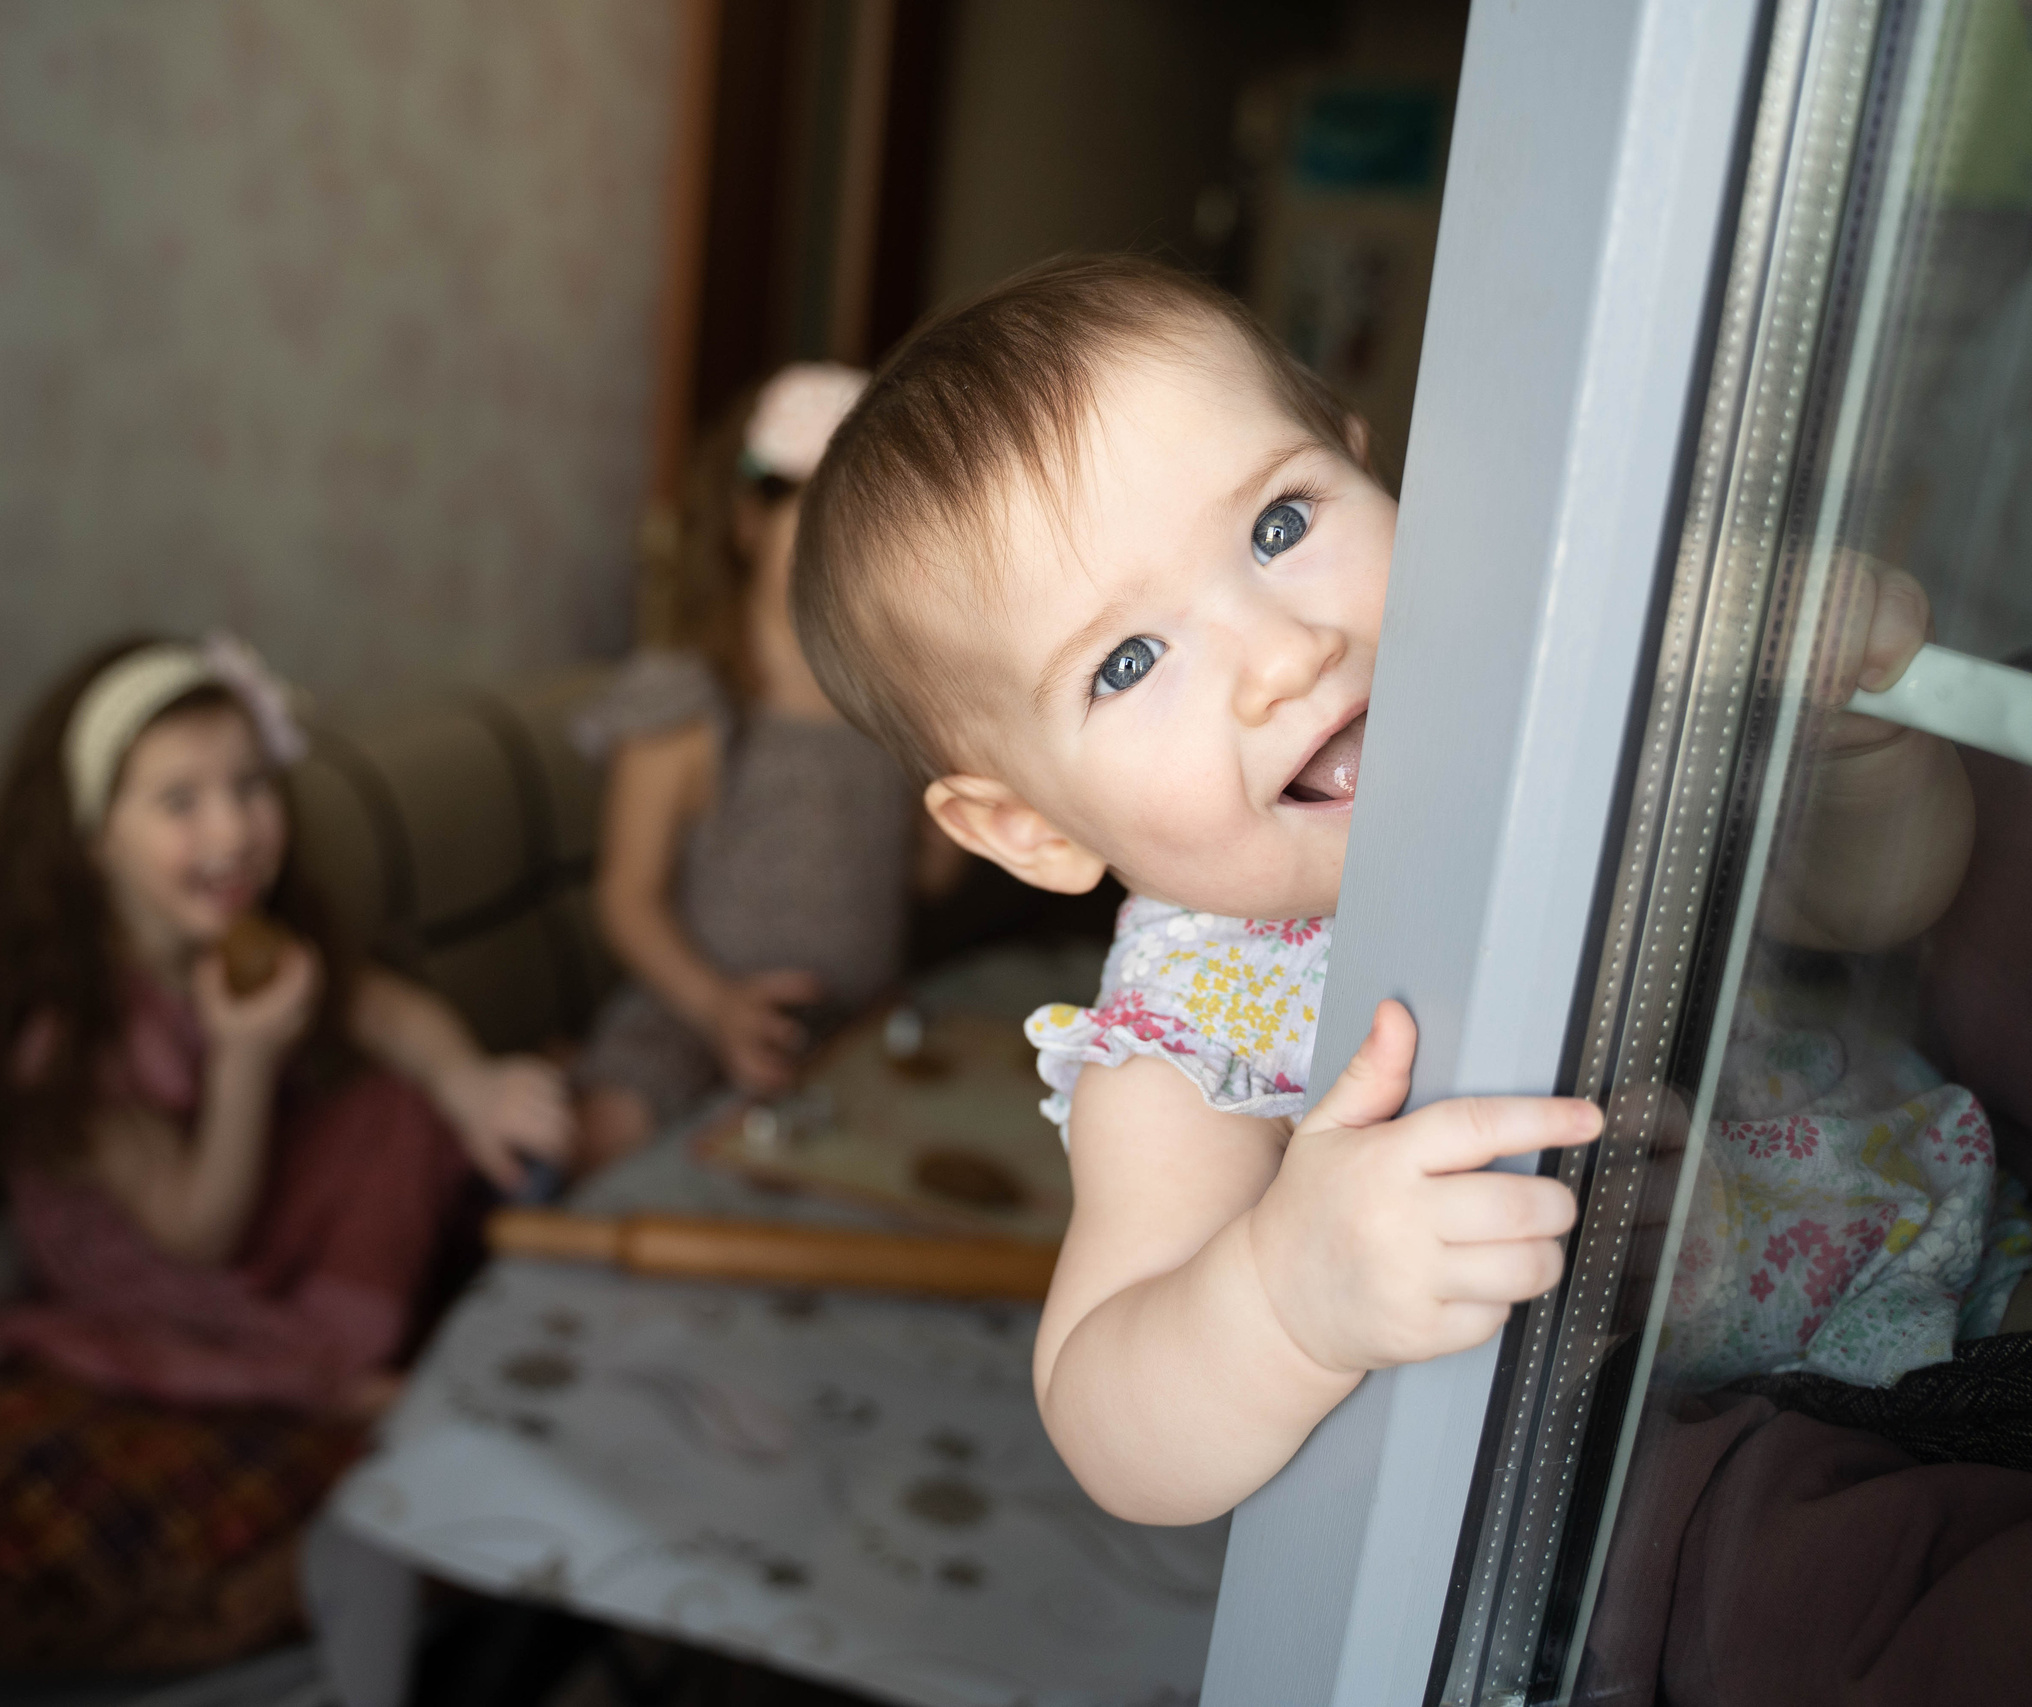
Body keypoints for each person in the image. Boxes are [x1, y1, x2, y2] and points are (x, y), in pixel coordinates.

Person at [788, 253, 1982, 1527]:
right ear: (1024, 829)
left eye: (1279, 527)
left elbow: (1869, 909)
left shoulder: (1550, 710)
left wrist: (1851, 741)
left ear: (1361, 459)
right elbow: (1105, 1420)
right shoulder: (1192, 1038)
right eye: (1128, 661)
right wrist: (1285, 1295)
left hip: (1936, 1233)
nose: (1284, 655)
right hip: (1748, 1474)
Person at [0, 633, 574, 1673]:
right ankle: (331, 1375)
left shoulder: (254, 936)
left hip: (262, 1212)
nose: (231, 829)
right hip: (162, 1274)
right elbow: (193, 1231)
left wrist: (467, 1081)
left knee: (399, 1108)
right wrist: (239, 1060)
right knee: (273, 1294)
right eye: (179, 803)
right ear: (94, 837)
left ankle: (352, 1337)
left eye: (249, 786)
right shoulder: (68, 1033)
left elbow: (390, 1013)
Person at [571, 363, 964, 1165]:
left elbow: (930, 878)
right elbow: (626, 897)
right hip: (691, 1010)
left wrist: (963, 743)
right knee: (614, 1125)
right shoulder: (689, 698)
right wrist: (716, 1006)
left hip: (857, 1024)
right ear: (751, 521)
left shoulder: (895, 701)